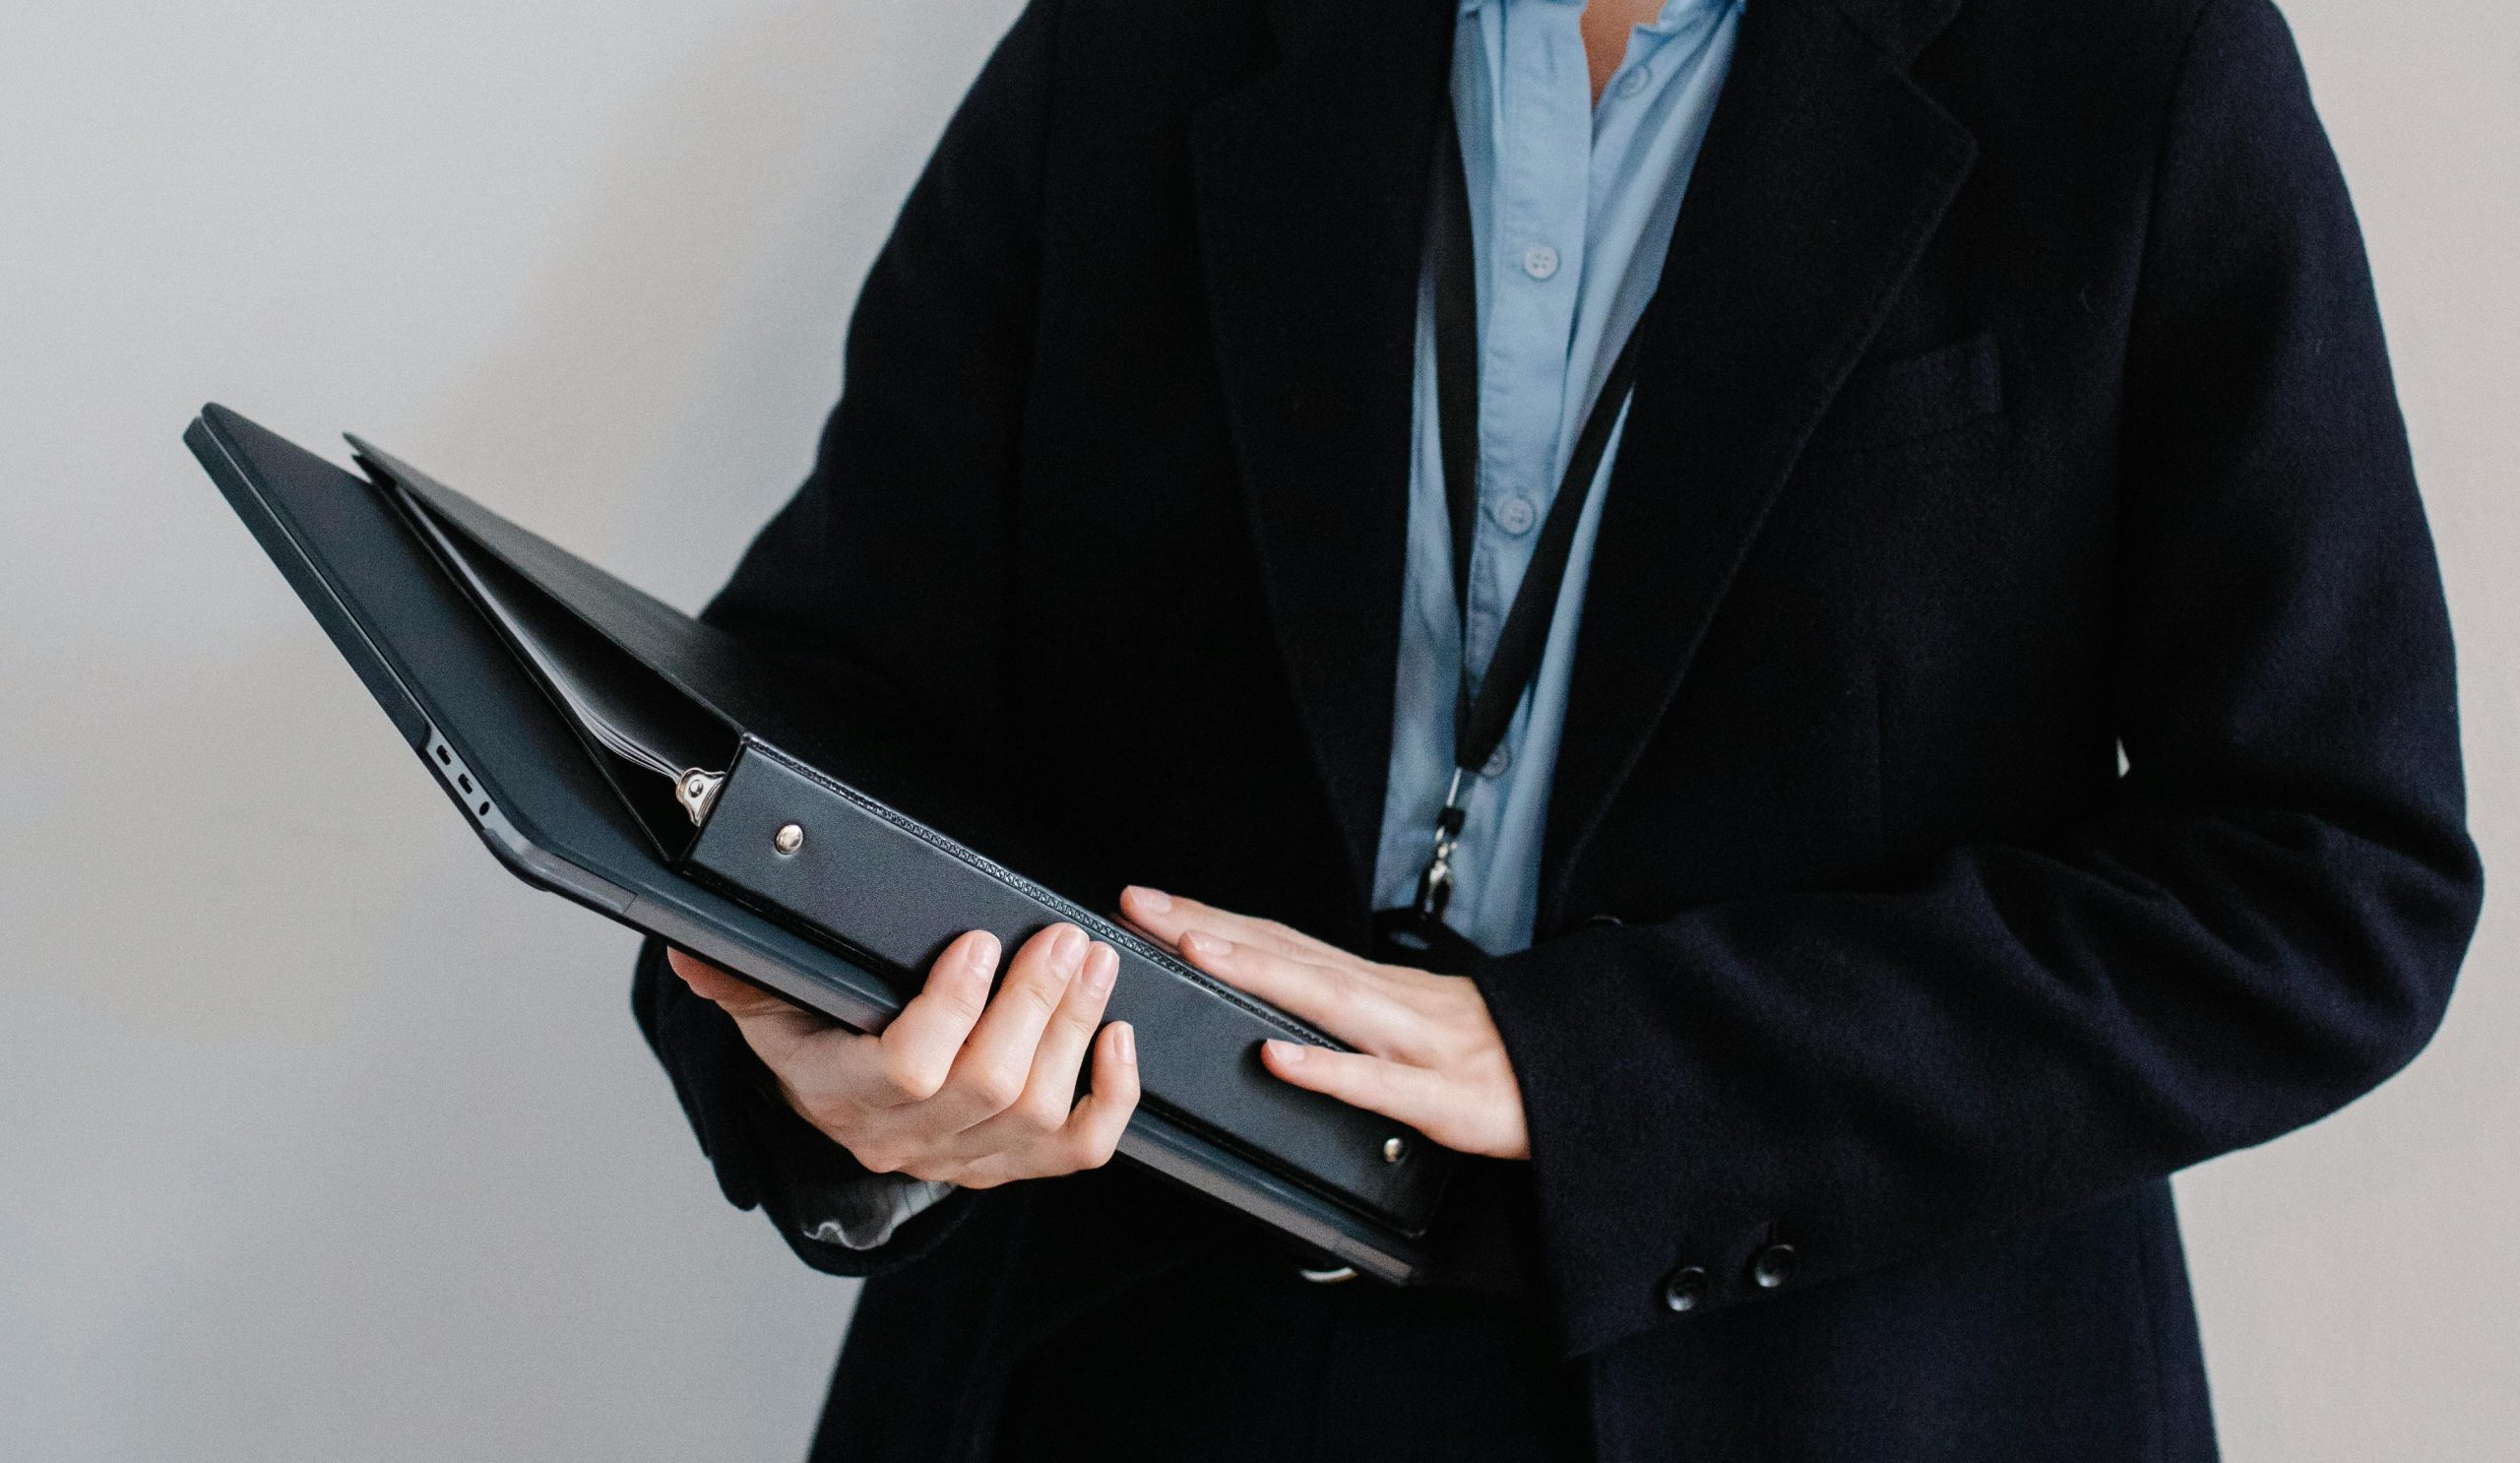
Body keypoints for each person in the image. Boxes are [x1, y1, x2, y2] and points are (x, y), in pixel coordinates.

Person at [636, 0, 2484, 1457]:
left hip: (1845, 1386)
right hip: (1125, 1348)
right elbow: (813, 708)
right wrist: (837, 1081)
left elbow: (2331, 883)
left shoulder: (2138, 58)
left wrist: (1600, 1069)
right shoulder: (1140, 36)